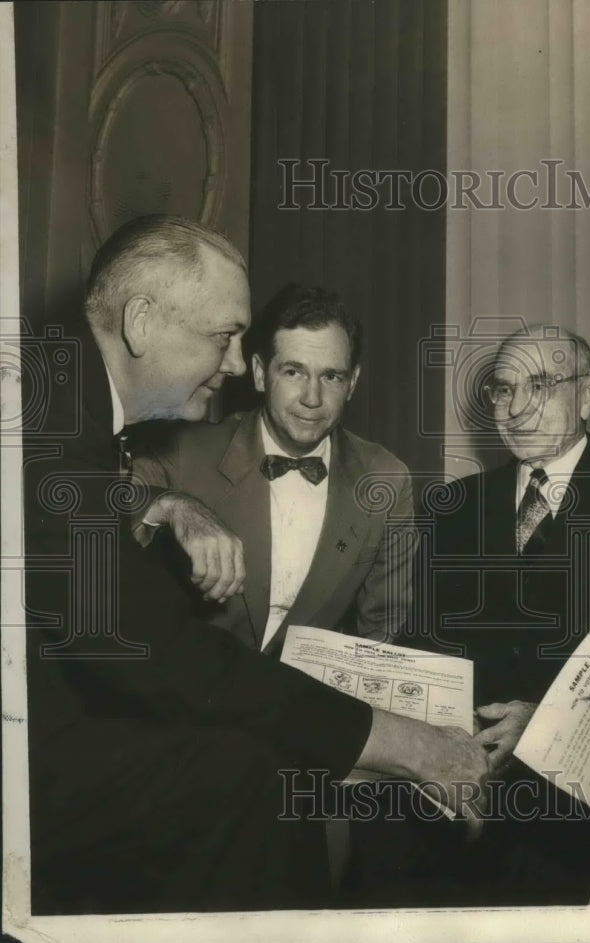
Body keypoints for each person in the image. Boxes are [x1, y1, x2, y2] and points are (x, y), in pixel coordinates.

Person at [22, 215, 488, 914]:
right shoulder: (58, 426)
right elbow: (157, 652)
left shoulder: (60, 394)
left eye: (331, 374)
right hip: (33, 761)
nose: (239, 364)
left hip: (66, 719)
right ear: (142, 322)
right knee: (253, 779)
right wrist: (404, 745)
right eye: (225, 337)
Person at [386, 324, 590, 906]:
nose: (514, 408)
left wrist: (554, 721)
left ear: (587, 396)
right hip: (456, 806)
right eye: (501, 389)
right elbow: (426, 647)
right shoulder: (454, 506)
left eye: (538, 386)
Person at [131, 283, 414, 653]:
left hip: (306, 701)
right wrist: (173, 505)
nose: (312, 398)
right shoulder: (186, 449)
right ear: (261, 374)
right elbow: (94, 502)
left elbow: (381, 631)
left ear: (353, 383)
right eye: (294, 372)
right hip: (190, 697)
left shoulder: (386, 479)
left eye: (331, 377)